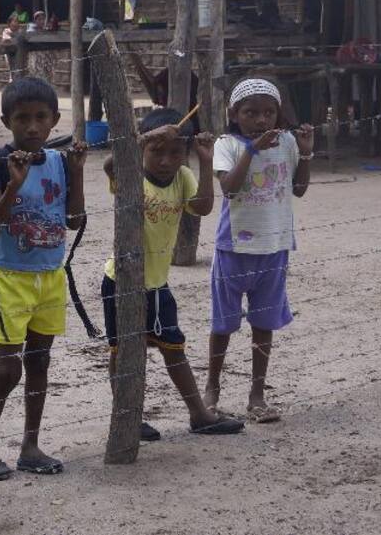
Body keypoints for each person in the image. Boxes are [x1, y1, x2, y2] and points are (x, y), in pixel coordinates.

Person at [0, 77, 87, 481]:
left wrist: (78, 174)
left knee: (40, 363)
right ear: (7, 121)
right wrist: (14, 186)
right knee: (9, 368)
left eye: (40, 118)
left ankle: (30, 445)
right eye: (22, 119)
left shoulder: (58, 162)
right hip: (10, 277)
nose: (32, 127)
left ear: (54, 119)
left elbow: (73, 220)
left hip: (49, 276)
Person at [100, 109, 245, 440]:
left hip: (157, 284)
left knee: (173, 347)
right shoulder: (131, 172)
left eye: (176, 152)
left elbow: (204, 206)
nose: (166, 160)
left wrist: (206, 162)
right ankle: (127, 417)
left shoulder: (182, 177)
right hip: (121, 281)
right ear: (143, 150)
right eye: (157, 151)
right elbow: (110, 165)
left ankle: (199, 415)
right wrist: (139, 141)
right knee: (123, 353)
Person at [203, 78, 314, 424]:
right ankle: (212, 389)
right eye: (251, 113)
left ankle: (257, 394)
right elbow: (229, 188)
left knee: (263, 323)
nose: (261, 120)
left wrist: (306, 152)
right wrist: (251, 151)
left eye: (269, 113)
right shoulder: (227, 144)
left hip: (275, 247)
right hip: (234, 247)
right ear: (234, 114)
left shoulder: (288, 144)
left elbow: (299, 190)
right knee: (224, 324)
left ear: (278, 114)